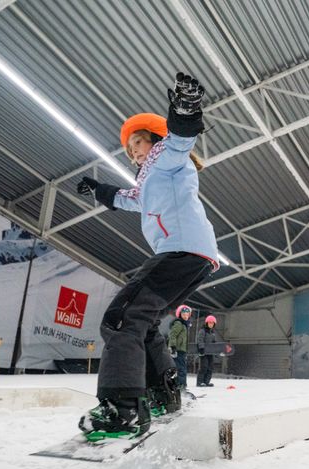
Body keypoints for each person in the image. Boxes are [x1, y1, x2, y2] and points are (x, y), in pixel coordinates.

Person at [77, 72, 218, 438]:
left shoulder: (166, 160)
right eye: (130, 150)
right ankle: (164, 393)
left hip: (180, 252)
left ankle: (121, 406)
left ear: (154, 138)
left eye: (138, 143)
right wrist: (99, 189)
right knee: (145, 321)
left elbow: (179, 142)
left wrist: (185, 111)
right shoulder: (152, 180)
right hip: (192, 256)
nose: (134, 152)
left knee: (121, 318)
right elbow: (129, 199)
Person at [168, 305, 192, 389]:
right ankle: (181, 386)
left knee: (181, 368)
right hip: (178, 350)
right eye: (183, 314)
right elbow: (172, 335)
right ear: (179, 314)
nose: (185, 316)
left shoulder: (185, 324)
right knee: (181, 369)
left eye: (187, 314)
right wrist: (173, 347)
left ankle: (180, 385)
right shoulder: (179, 323)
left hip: (182, 350)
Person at [196, 315, 218, 387]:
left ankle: (206, 382)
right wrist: (201, 348)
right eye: (209, 323)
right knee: (204, 367)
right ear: (206, 323)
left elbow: (214, 342)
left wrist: (216, 351)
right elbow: (200, 340)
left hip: (210, 353)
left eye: (212, 323)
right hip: (203, 353)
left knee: (210, 367)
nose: (211, 324)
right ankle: (200, 382)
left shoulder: (213, 333)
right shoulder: (202, 331)